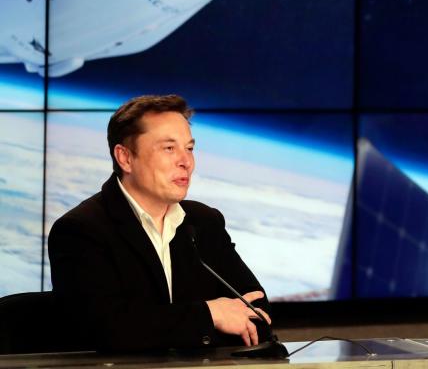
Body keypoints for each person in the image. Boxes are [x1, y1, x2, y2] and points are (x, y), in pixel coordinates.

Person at [48, 94, 272, 352]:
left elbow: (259, 312)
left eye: (189, 148)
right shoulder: (81, 230)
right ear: (125, 158)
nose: (186, 162)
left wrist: (169, 327)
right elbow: (105, 331)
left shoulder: (203, 222)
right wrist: (210, 316)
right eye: (169, 148)